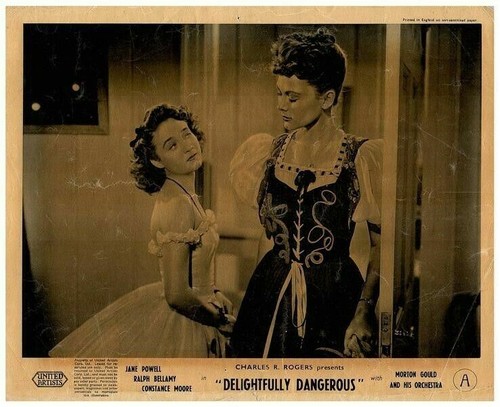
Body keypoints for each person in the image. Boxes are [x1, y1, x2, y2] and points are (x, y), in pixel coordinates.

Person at [230, 27, 383, 358]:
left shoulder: (361, 157)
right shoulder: (268, 153)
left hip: (334, 296)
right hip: (271, 290)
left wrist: (364, 310)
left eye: (293, 97)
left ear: (327, 98)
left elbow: (380, 245)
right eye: (279, 94)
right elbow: (267, 239)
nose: (281, 106)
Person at [50, 103, 234, 358]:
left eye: (186, 133)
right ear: (157, 160)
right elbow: (177, 295)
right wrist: (219, 320)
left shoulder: (184, 194)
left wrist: (213, 293)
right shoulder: (177, 205)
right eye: (172, 145)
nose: (187, 145)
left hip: (199, 309)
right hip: (187, 322)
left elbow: (195, 273)